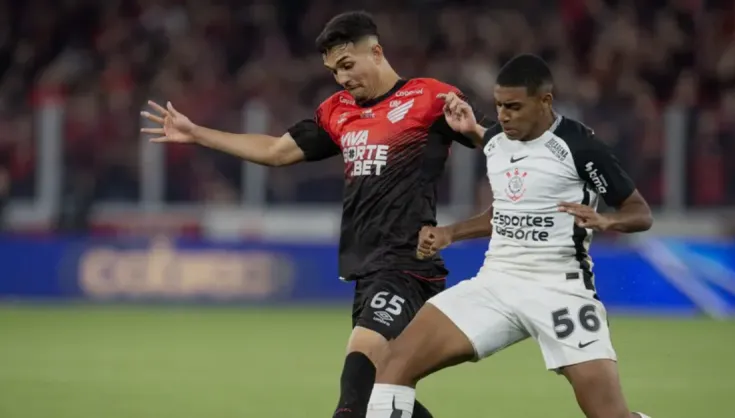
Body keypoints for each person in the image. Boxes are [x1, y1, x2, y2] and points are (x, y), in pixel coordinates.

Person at [140, 10, 490, 418]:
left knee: (354, 389)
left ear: (376, 53)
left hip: (407, 266)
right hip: (366, 270)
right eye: (334, 71)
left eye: (347, 65)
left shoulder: (428, 97)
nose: (342, 78)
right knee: (380, 393)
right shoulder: (338, 111)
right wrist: (197, 133)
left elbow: (498, 141)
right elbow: (276, 151)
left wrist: (476, 133)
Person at [365, 54, 654, 418]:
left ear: (545, 101)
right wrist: (450, 233)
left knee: (609, 414)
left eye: (514, 107)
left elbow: (640, 212)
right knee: (394, 364)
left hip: (559, 289)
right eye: (499, 105)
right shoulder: (497, 142)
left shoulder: (580, 146)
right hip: (496, 283)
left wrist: (606, 221)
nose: (503, 115)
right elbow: (504, 212)